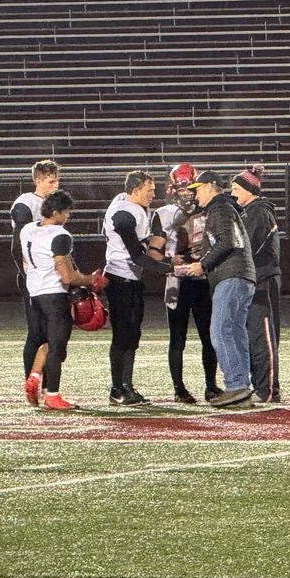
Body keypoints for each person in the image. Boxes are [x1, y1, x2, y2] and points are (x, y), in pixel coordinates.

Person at [19, 190, 106, 410]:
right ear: (56, 212)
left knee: (40, 340)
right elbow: (67, 275)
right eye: (66, 213)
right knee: (57, 345)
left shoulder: (28, 229)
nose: (68, 217)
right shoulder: (59, 235)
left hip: (34, 292)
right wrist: (91, 280)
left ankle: (35, 377)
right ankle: (52, 395)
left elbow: (25, 263)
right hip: (54, 295)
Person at [182, 171, 255, 408]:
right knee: (234, 332)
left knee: (220, 331)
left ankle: (235, 385)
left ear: (212, 188)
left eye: (198, 189)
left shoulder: (220, 209)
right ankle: (241, 387)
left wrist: (202, 265)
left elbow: (227, 242)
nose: (195, 195)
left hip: (231, 276)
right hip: (241, 276)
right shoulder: (226, 208)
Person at [102, 171, 174, 406]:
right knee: (123, 334)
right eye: (149, 190)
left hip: (130, 279)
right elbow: (137, 256)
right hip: (120, 279)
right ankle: (117, 389)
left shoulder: (127, 203)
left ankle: (127, 385)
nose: (154, 194)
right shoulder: (124, 214)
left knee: (132, 335)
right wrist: (170, 268)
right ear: (135, 189)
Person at [152, 163, 220, 404]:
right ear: (172, 189)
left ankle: (211, 386)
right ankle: (179, 389)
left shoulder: (209, 209)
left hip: (202, 278)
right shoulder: (163, 214)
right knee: (177, 338)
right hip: (176, 280)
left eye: (188, 188)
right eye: (181, 188)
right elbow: (154, 253)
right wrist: (171, 259)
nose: (185, 193)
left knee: (209, 336)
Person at [231, 165, 282, 404]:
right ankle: (261, 386)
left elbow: (246, 247)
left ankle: (268, 389)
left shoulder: (257, 213)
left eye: (236, 188)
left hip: (261, 281)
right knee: (254, 337)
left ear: (248, 189)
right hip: (254, 280)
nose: (232, 193)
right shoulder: (249, 212)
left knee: (262, 337)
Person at [11, 160, 59, 405]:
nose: (54, 185)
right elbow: (17, 245)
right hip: (34, 279)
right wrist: (28, 275)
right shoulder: (25, 204)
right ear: (37, 180)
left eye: (56, 180)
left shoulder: (54, 204)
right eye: (50, 181)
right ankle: (32, 382)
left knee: (52, 334)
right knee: (36, 332)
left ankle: (49, 385)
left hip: (52, 278)